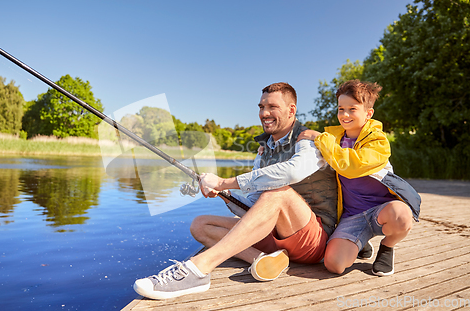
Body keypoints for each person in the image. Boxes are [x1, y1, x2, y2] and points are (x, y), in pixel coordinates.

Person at [133, 82, 338, 300]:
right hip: (274, 236)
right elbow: (254, 203)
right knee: (201, 225)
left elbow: (293, 172)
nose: (264, 113)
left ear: (291, 110)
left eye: (272, 107)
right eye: (261, 106)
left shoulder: (309, 139)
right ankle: (263, 259)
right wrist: (226, 196)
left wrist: (223, 182)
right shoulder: (265, 149)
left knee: (278, 192)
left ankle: (198, 269)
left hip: (312, 240)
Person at [300, 79, 421, 276]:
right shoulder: (334, 139)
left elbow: (351, 166)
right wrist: (272, 145)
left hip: (383, 210)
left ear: (368, 113)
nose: (345, 115)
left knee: (402, 216)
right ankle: (361, 242)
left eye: (352, 109)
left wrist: (320, 137)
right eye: (341, 109)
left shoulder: (379, 141)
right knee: (334, 265)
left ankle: (388, 246)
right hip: (352, 216)